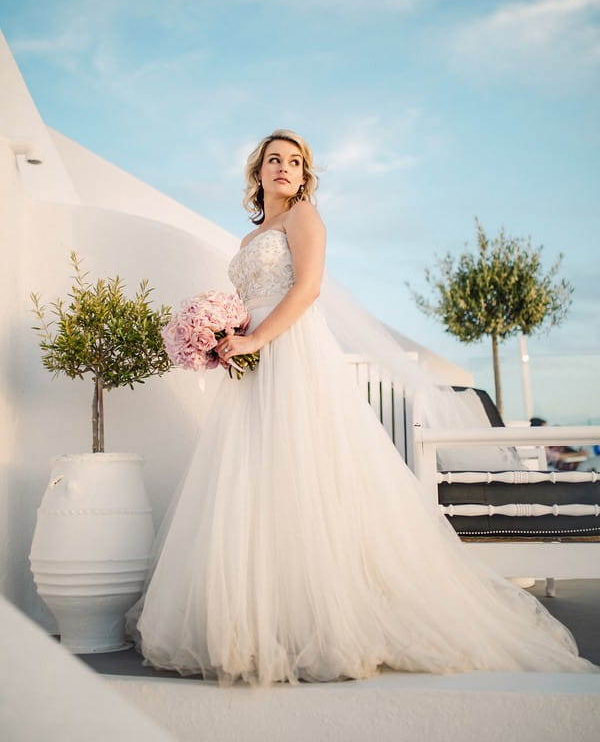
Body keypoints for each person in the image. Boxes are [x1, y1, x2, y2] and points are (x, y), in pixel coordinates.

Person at [125, 130, 598, 686]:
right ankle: (267, 618)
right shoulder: (247, 239)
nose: (284, 168)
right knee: (255, 480)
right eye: (273, 160)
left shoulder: (305, 219)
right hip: (252, 368)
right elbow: (248, 302)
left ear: (304, 176)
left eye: (294, 162)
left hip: (292, 354)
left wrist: (255, 340)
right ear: (257, 173)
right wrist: (223, 336)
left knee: (306, 472)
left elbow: (307, 291)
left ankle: (325, 619)